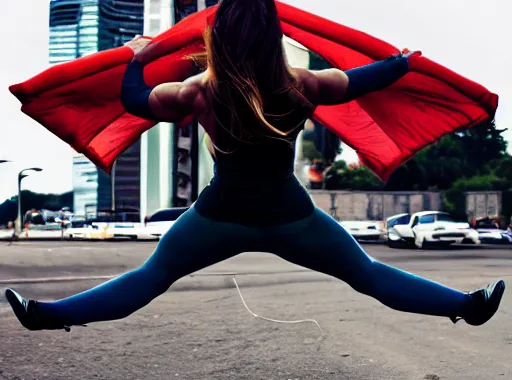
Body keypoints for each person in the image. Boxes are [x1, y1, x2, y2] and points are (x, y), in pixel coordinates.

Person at [5, 0, 505, 331]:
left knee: (150, 277)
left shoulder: (200, 90)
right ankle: (466, 306)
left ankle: (47, 316)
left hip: (218, 217)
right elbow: (365, 80)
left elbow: (135, 102)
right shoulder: (303, 85)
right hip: (291, 217)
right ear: (274, 36)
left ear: (217, 39)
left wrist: (135, 58)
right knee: (369, 275)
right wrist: (399, 62)